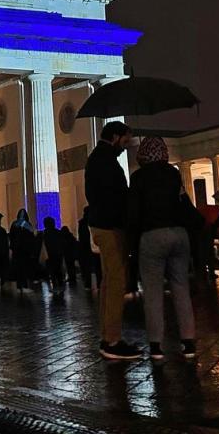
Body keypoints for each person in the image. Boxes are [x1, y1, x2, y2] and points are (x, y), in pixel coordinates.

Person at [128, 136, 197, 360]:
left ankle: (156, 345)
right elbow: (184, 203)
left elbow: (134, 212)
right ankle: (188, 342)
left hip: (152, 235)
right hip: (178, 233)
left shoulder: (138, 177)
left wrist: (132, 241)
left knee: (153, 292)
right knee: (180, 288)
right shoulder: (173, 173)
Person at [84, 121, 140, 360]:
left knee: (109, 282)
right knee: (116, 282)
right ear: (115, 137)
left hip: (101, 223)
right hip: (110, 226)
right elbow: (114, 196)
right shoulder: (105, 162)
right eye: (125, 141)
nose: (126, 147)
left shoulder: (99, 159)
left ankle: (108, 335)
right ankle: (112, 340)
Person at [10, 209, 36, 293]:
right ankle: (21, 285)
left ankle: (22, 285)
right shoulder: (24, 224)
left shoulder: (15, 224)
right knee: (21, 268)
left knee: (22, 268)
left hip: (22, 249)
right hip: (20, 249)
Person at [78, 207, 101, 291]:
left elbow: (81, 237)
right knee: (98, 267)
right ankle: (99, 284)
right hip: (94, 246)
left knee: (87, 268)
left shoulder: (81, 223)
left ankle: (88, 285)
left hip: (86, 248)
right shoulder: (94, 220)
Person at [42, 217, 66, 293]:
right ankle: (61, 285)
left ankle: (55, 286)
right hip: (58, 254)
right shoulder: (58, 232)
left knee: (52, 271)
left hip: (49, 255)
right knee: (58, 270)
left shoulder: (44, 234)